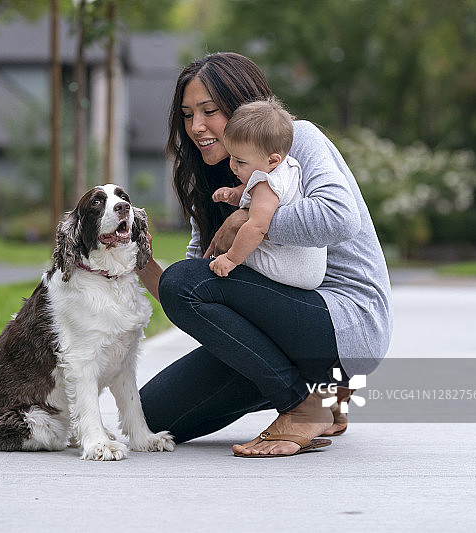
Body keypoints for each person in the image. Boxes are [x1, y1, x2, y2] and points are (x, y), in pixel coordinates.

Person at [136, 52, 393, 457]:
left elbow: (340, 217)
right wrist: (140, 261)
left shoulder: (294, 140)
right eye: (187, 115)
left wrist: (248, 221)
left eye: (210, 111)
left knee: (187, 281)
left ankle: (302, 405)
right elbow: (190, 291)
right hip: (277, 329)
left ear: (242, 107)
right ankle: (325, 395)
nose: (197, 127)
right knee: (146, 418)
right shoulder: (215, 178)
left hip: (345, 324)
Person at [208, 97, 326, 290]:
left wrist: (230, 259)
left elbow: (257, 227)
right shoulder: (288, 167)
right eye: (231, 158)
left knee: (225, 260)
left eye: (240, 162)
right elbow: (258, 196)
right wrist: (235, 194)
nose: (233, 166)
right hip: (308, 268)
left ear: (272, 160)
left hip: (287, 268)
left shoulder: (266, 185)